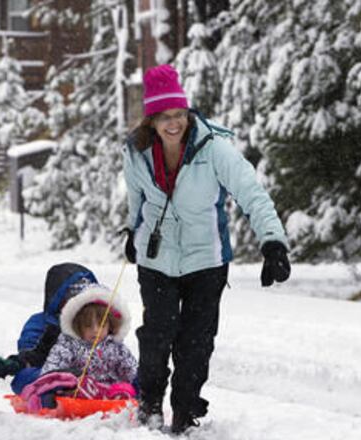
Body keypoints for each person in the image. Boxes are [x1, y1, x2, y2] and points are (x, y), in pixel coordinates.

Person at [122, 64, 291, 434]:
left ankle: (185, 413)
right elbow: (137, 201)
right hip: (157, 260)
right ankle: (149, 405)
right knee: (157, 337)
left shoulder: (213, 148)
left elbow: (252, 193)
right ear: (151, 119)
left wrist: (273, 241)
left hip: (206, 261)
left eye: (180, 114)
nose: (174, 123)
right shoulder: (136, 153)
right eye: (165, 116)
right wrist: (132, 233)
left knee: (196, 344)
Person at [0, 262, 98, 394]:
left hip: (97, 376)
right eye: (72, 300)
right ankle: (60, 386)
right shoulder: (42, 324)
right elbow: (33, 355)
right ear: (58, 300)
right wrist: (14, 364)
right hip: (51, 373)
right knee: (24, 377)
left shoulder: (99, 323)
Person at [18, 283, 137, 412]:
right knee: (71, 382)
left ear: (110, 325)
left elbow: (131, 371)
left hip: (109, 392)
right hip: (78, 392)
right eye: (88, 326)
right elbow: (52, 370)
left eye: (101, 325)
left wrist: (140, 385)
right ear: (78, 326)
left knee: (125, 388)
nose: (95, 331)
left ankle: (117, 400)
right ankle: (86, 392)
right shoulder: (68, 345)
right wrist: (65, 380)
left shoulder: (117, 348)